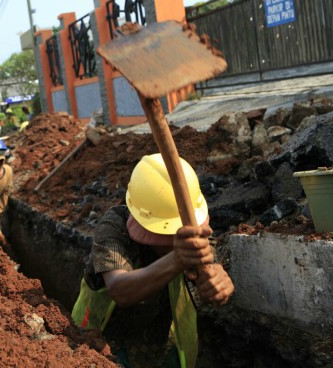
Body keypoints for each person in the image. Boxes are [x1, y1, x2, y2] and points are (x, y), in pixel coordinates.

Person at [72, 154, 234, 368]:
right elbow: (120, 290)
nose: (172, 240)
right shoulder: (113, 227)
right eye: (166, 232)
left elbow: (211, 275)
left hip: (163, 347)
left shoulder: (196, 236)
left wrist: (217, 282)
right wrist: (176, 259)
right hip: (101, 343)